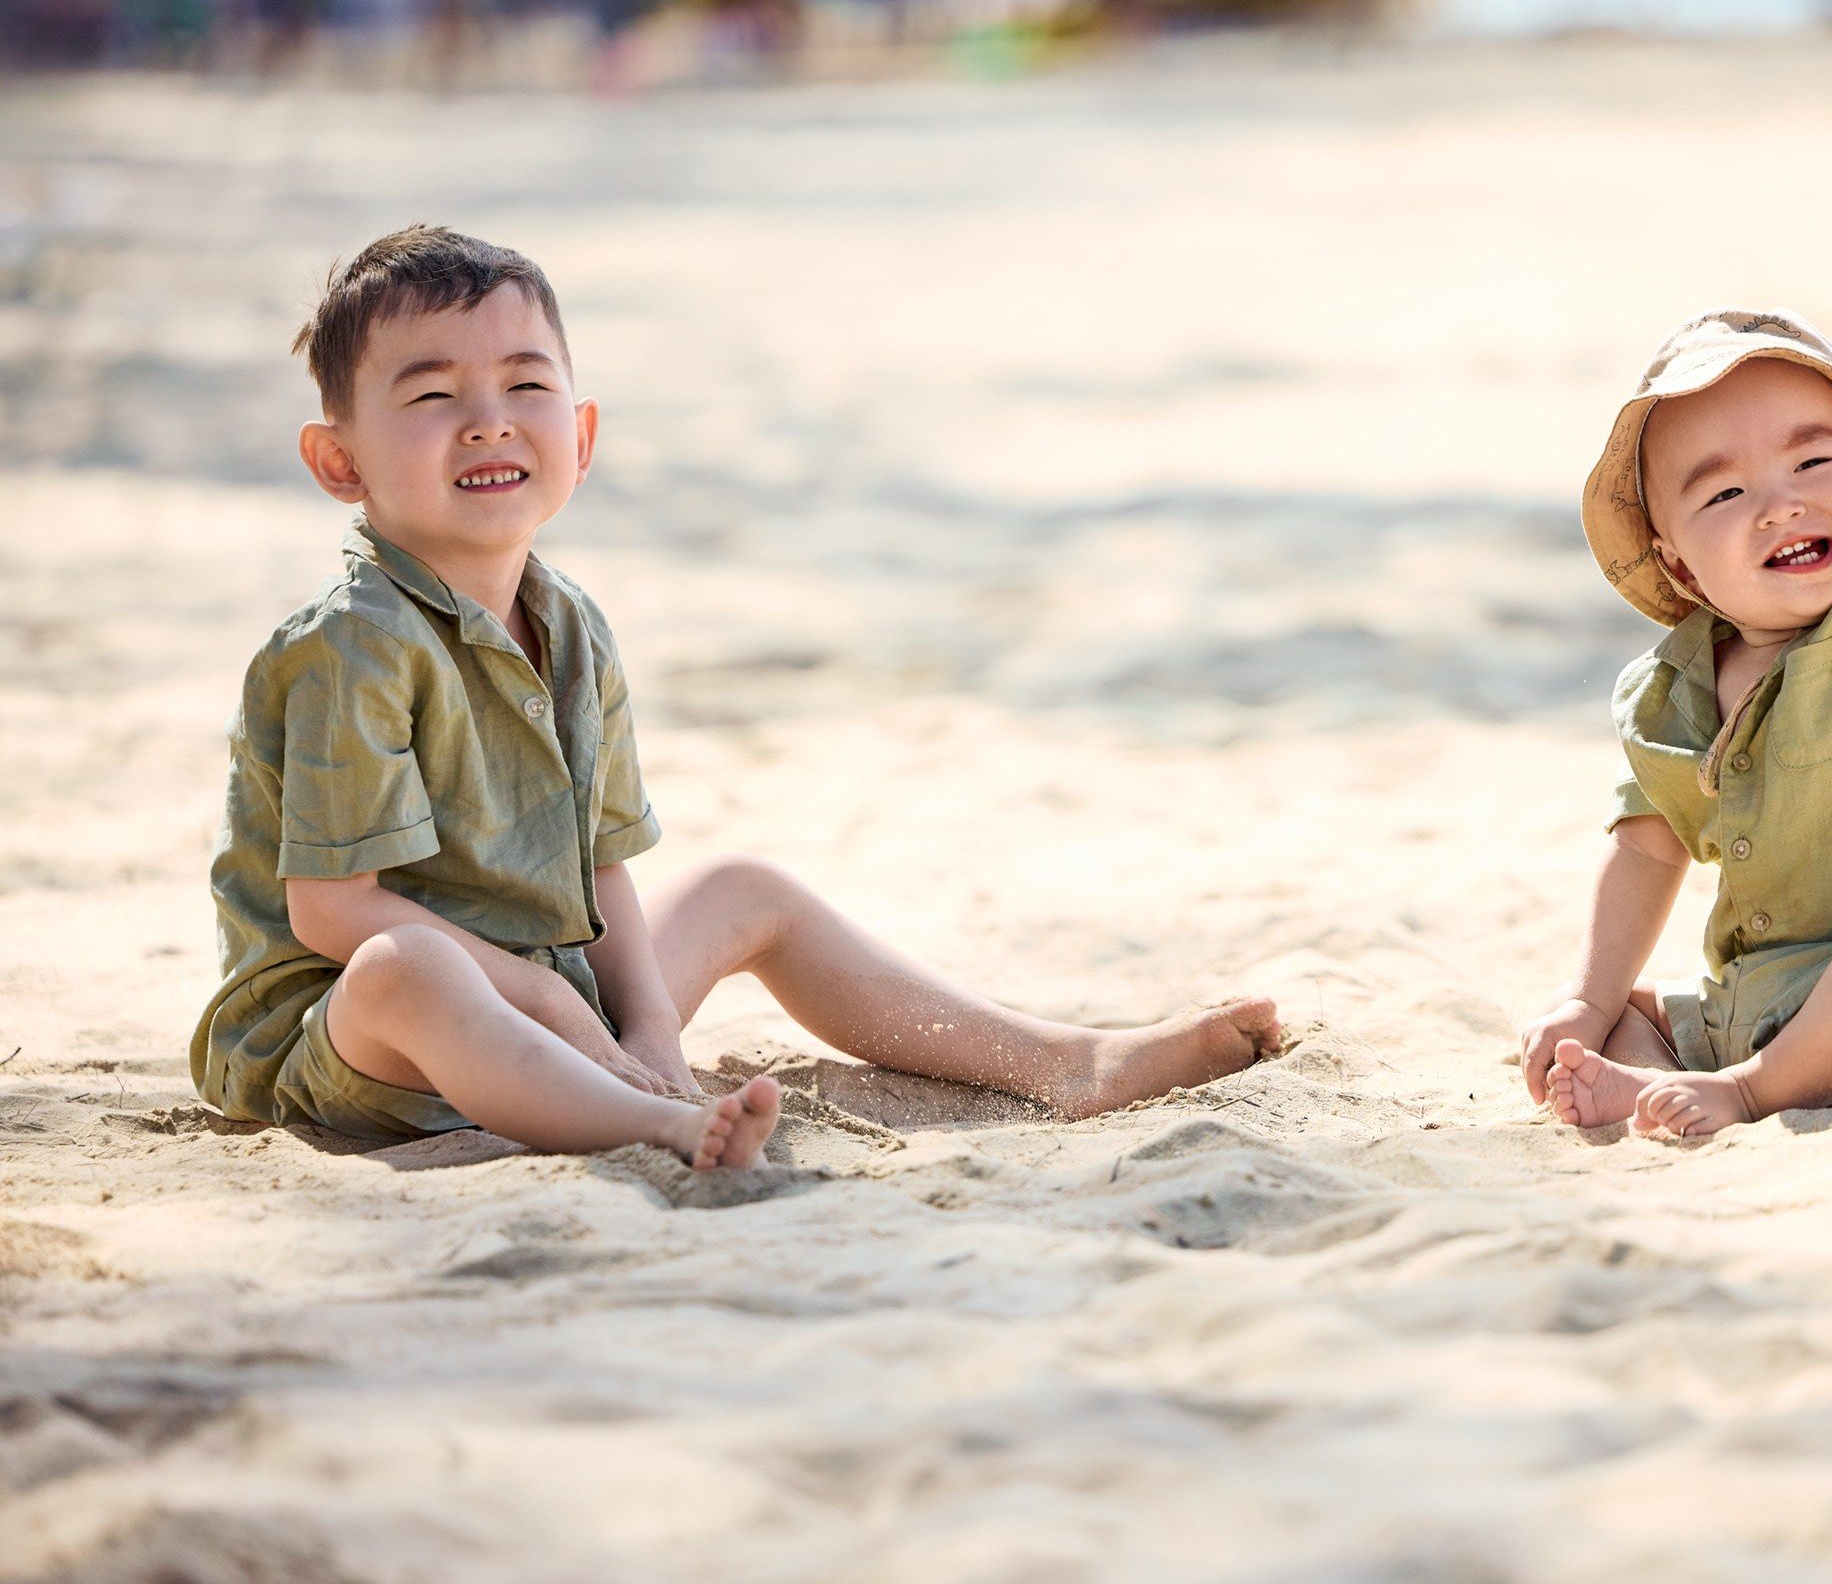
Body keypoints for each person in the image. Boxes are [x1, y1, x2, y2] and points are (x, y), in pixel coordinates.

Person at [192, 225, 1280, 1169]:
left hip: (562, 1003)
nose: (488, 420)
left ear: (580, 435)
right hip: (364, 1041)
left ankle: (1065, 1063)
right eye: (433, 395)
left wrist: (653, 1029)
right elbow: (332, 911)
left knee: (741, 888)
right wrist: (551, 1005)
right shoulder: (352, 644)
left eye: (527, 384)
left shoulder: (571, 627)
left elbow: (602, 866)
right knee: (408, 963)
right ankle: (645, 1129)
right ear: (339, 463)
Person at [1521, 233, 1832, 1138]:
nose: (1779, 503)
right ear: (1679, 568)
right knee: (1622, 1005)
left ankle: (1752, 1094)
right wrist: (1583, 999)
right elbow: (1646, 852)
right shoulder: (1675, 692)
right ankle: (1655, 1083)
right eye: (1723, 495)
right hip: (1751, 1006)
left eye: (1813, 462)